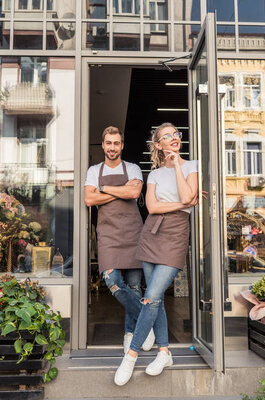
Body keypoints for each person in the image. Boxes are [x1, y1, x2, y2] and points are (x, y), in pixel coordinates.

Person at [114, 122, 198, 386]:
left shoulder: (191, 166)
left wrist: (176, 167)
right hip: (151, 234)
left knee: (150, 297)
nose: (173, 138)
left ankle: (131, 355)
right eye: (166, 137)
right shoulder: (154, 174)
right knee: (156, 298)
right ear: (158, 145)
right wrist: (184, 203)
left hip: (175, 236)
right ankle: (164, 352)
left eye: (176, 134)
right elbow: (152, 207)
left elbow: (188, 194)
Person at [84, 126, 155, 354]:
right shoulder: (94, 170)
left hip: (133, 233)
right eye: (108, 143)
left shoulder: (133, 167)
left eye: (116, 143)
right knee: (112, 281)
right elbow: (88, 198)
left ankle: (131, 335)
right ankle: (146, 321)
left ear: (121, 145)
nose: (112, 147)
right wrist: (119, 189)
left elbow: (134, 193)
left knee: (134, 287)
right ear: (103, 145)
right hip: (108, 235)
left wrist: (102, 189)